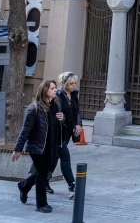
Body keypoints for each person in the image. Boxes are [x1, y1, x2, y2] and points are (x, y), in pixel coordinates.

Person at [12, 80, 64, 213]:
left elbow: (57, 127)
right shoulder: (34, 109)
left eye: (54, 88)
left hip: (51, 146)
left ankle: (24, 186)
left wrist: (61, 119)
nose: (55, 90)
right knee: (42, 173)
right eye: (52, 88)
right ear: (45, 90)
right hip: (37, 147)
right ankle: (41, 204)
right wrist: (18, 149)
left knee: (43, 171)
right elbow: (25, 131)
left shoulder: (55, 106)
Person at [54, 71, 83, 199]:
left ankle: (28, 183)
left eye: (75, 83)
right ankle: (72, 185)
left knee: (53, 159)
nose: (73, 86)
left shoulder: (74, 95)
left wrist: (78, 124)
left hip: (67, 132)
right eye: (71, 83)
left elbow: (77, 112)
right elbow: (58, 115)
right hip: (58, 133)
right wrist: (65, 119)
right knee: (65, 157)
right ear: (64, 83)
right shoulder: (59, 96)